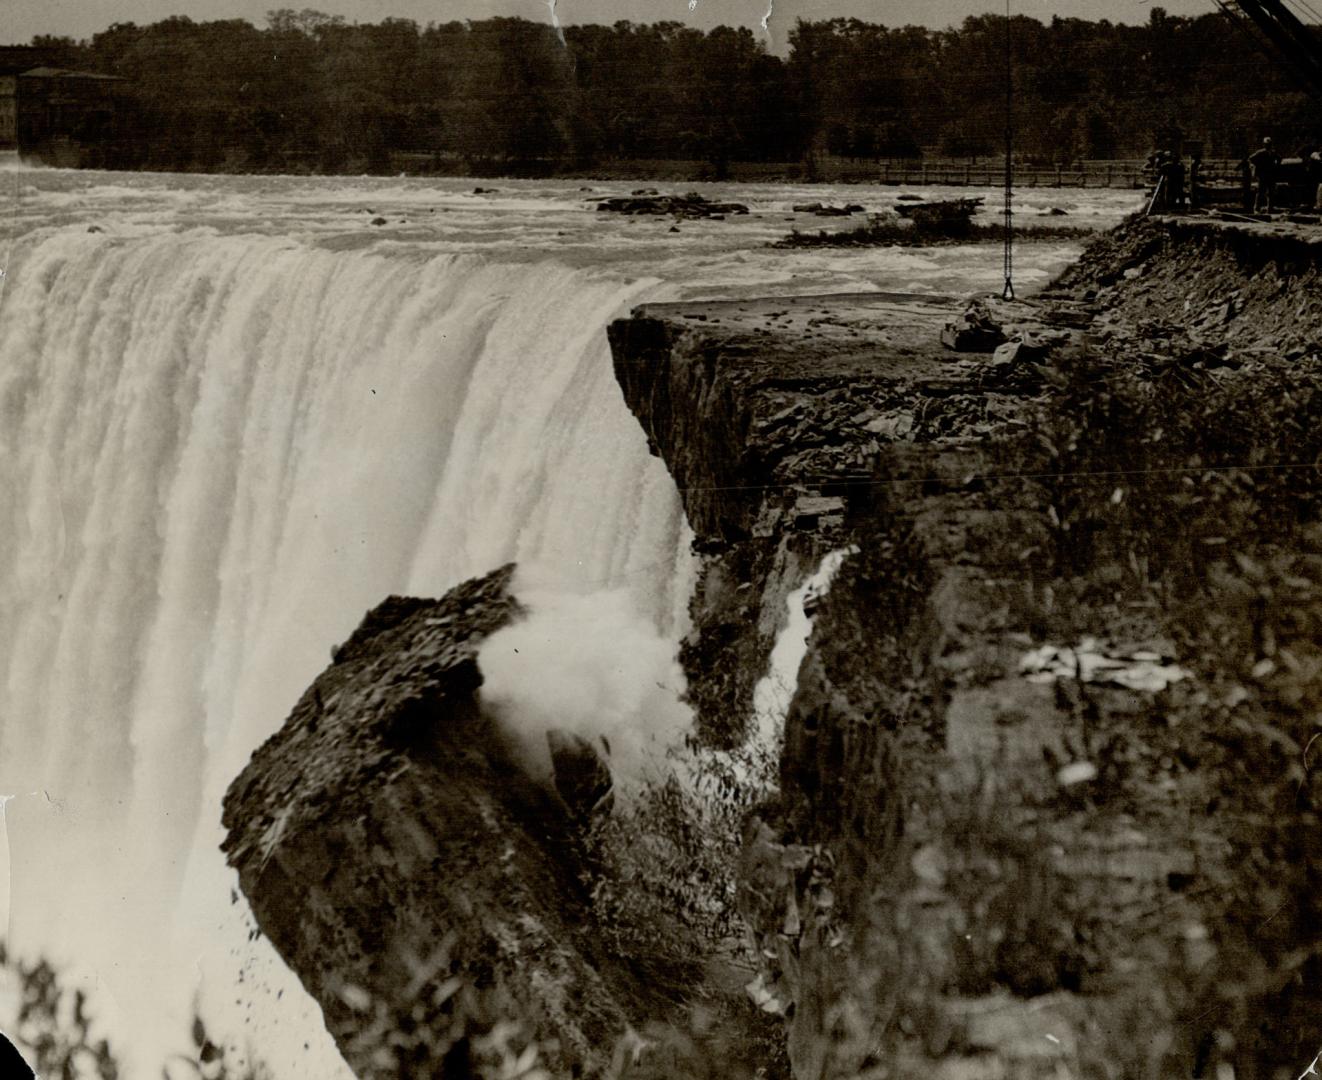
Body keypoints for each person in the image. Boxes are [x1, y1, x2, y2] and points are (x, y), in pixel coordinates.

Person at [1249, 137, 1280, 213]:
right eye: (1266, 144)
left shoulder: (1273, 153)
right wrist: (1257, 166)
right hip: (1263, 175)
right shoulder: (1260, 153)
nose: (1268, 146)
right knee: (1260, 192)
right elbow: (1251, 158)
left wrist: (1276, 165)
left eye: (1269, 144)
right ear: (1264, 145)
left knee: (1270, 192)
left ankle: (1270, 208)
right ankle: (1256, 208)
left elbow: (1279, 158)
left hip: (1271, 175)